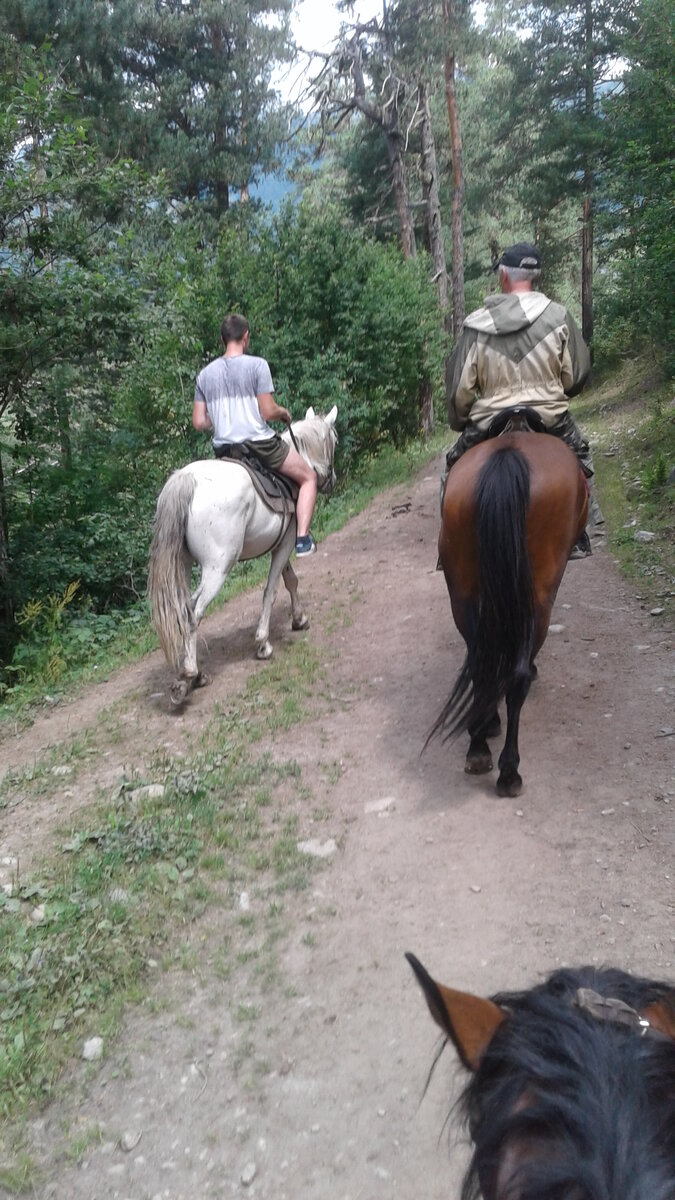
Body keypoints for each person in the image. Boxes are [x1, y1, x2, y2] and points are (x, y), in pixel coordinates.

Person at [442, 243, 604, 557]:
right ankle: (580, 535)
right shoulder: (558, 317)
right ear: (534, 276)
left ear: (503, 276)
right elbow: (576, 376)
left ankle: (451, 544)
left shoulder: (476, 325)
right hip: (549, 418)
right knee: (581, 461)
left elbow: (460, 393)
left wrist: (460, 418)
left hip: (489, 420)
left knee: (451, 470)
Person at [192, 313, 318, 556]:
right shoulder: (257, 365)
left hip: (225, 450)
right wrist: (283, 412)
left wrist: (218, 417)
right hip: (259, 445)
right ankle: (302, 540)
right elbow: (267, 411)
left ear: (222, 340)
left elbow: (199, 421)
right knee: (309, 477)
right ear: (245, 337)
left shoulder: (205, 375)